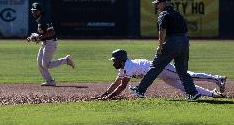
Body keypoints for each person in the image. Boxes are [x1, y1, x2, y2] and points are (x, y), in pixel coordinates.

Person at [130, 0, 201, 100]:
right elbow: (185, 30)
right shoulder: (178, 14)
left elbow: (162, 31)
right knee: (182, 70)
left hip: (172, 42)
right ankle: (193, 93)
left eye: (158, 3)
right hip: (184, 41)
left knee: (155, 67)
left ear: (164, 3)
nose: (157, 5)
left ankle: (140, 90)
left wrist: (160, 46)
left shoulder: (164, 14)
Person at [97, 49, 226, 100]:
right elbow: (116, 83)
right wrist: (104, 95)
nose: (113, 62)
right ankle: (214, 94)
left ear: (121, 59)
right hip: (160, 74)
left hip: (161, 68)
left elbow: (122, 86)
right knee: (184, 87)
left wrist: (109, 97)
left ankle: (217, 78)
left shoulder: (129, 66)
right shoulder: (123, 67)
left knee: (187, 75)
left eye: (115, 60)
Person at [27, 2, 75, 86]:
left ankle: (66, 60)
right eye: (33, 11)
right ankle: (50, 81)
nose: (34, 12)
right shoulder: (40, 20)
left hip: (51, 44)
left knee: (45, 65)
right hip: (45, 44)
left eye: (36, 11)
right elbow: (41, 34)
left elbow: (52, 32)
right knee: (39, 63)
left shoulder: (44, 19)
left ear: (40, 11)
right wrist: (32, 37)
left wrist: (39, 38)